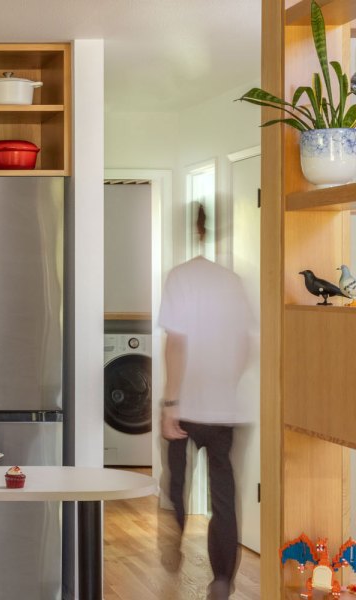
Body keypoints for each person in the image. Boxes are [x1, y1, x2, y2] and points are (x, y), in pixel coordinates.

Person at [158, 204, 253, 600]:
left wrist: (171, 402)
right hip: (224, 409)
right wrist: (228, 384)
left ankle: (176, 532)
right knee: (223, 497)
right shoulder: (233, 282)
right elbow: (246, 344)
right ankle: (222, 578)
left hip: (187, 404)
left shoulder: (179, 277)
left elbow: (176, 343)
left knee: (177, 480)